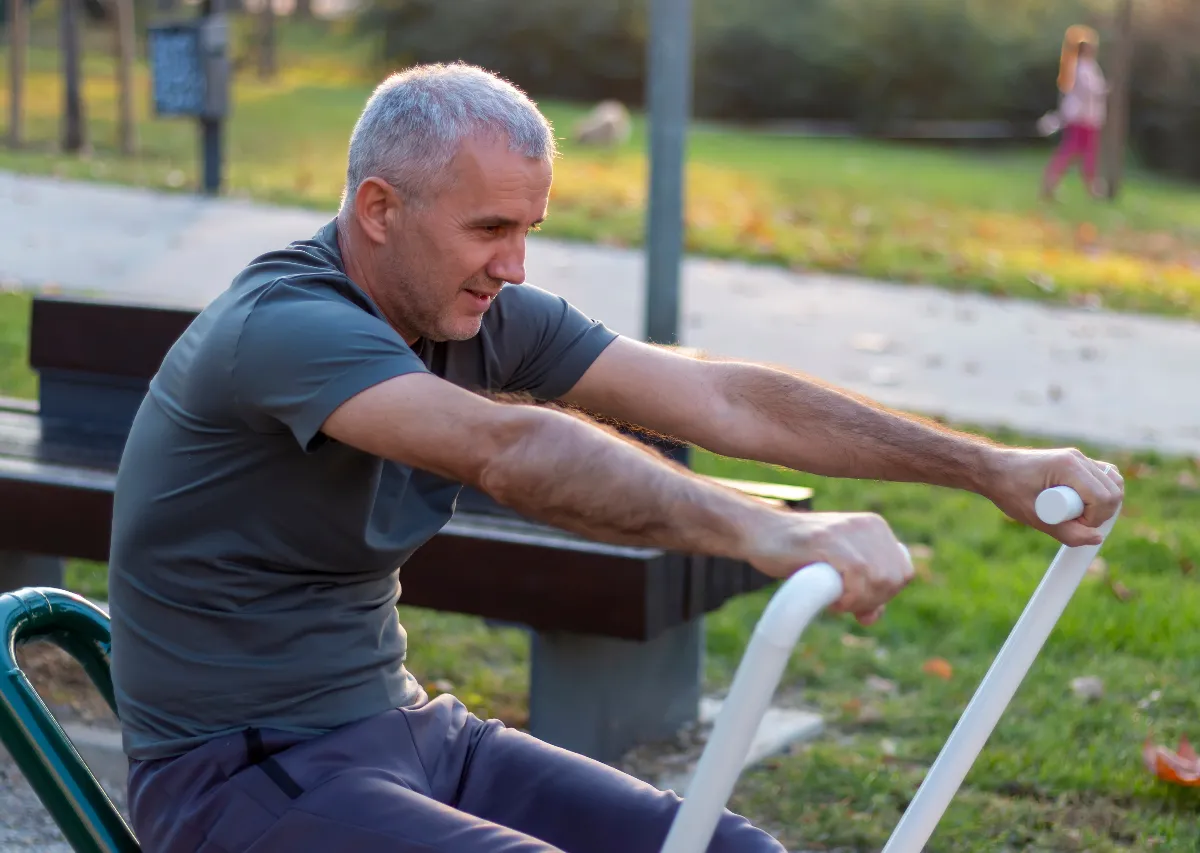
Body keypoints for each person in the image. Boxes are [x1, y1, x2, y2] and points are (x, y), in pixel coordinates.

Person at [108, 62, 1125, 853]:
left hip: (408, 729)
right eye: (491, 229)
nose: (515, 266)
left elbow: (722, 395)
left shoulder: (477, 309)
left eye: (531, 229)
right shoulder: (287, 324)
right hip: (234, 774)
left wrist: (986, 465)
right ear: (380, 210)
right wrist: (768, 530)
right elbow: (508, 448)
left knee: (729, 846)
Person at [1042, 25, 1109, 200]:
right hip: (1083, 116)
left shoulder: (1082, 66)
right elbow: (1090, 90)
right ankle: (1089, 187)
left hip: (1086, 116)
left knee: (1080, 151)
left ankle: (1058, 182)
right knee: (1079, 151)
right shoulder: (1082, 67)